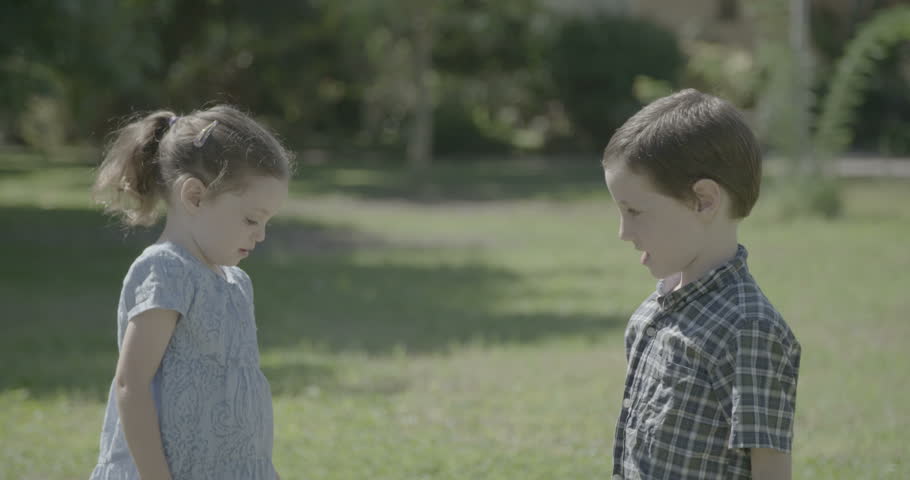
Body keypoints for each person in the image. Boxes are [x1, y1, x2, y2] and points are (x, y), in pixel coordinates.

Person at [602, 89, 801, 479]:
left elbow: (770, 470)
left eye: (635, 212)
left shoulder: (748, 330)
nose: (624, 233)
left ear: (704, 200)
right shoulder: (653, 312)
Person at [89, 105, 294, 480]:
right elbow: (130, 384)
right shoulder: (167, 270)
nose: (260, 235)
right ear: (195, 197)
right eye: (251, 219)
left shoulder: (235, 283)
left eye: (267, 222)